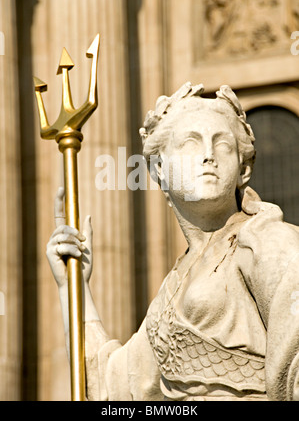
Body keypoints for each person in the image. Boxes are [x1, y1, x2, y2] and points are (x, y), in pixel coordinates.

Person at [46, 82, 299, 401]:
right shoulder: (168, 298)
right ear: (159, 170)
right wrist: (73, 286)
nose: (208, 156)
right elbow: (111, 388)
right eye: (191, 144)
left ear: (243, 170)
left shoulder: (270, 241)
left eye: (222, 144)